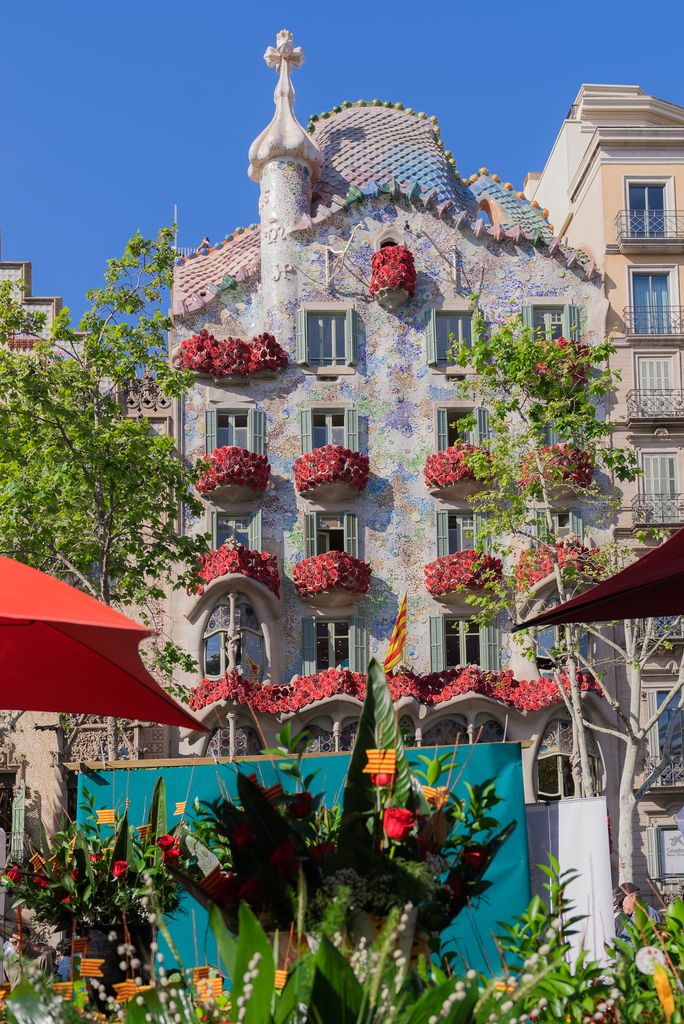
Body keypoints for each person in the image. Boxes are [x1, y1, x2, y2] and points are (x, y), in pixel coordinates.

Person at [3, 924, 53, 990]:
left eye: (22, 942)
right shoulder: (7, 963)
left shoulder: (42, 959)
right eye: (14, 942)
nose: (18, 945)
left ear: (29, 940)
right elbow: (5, 989)